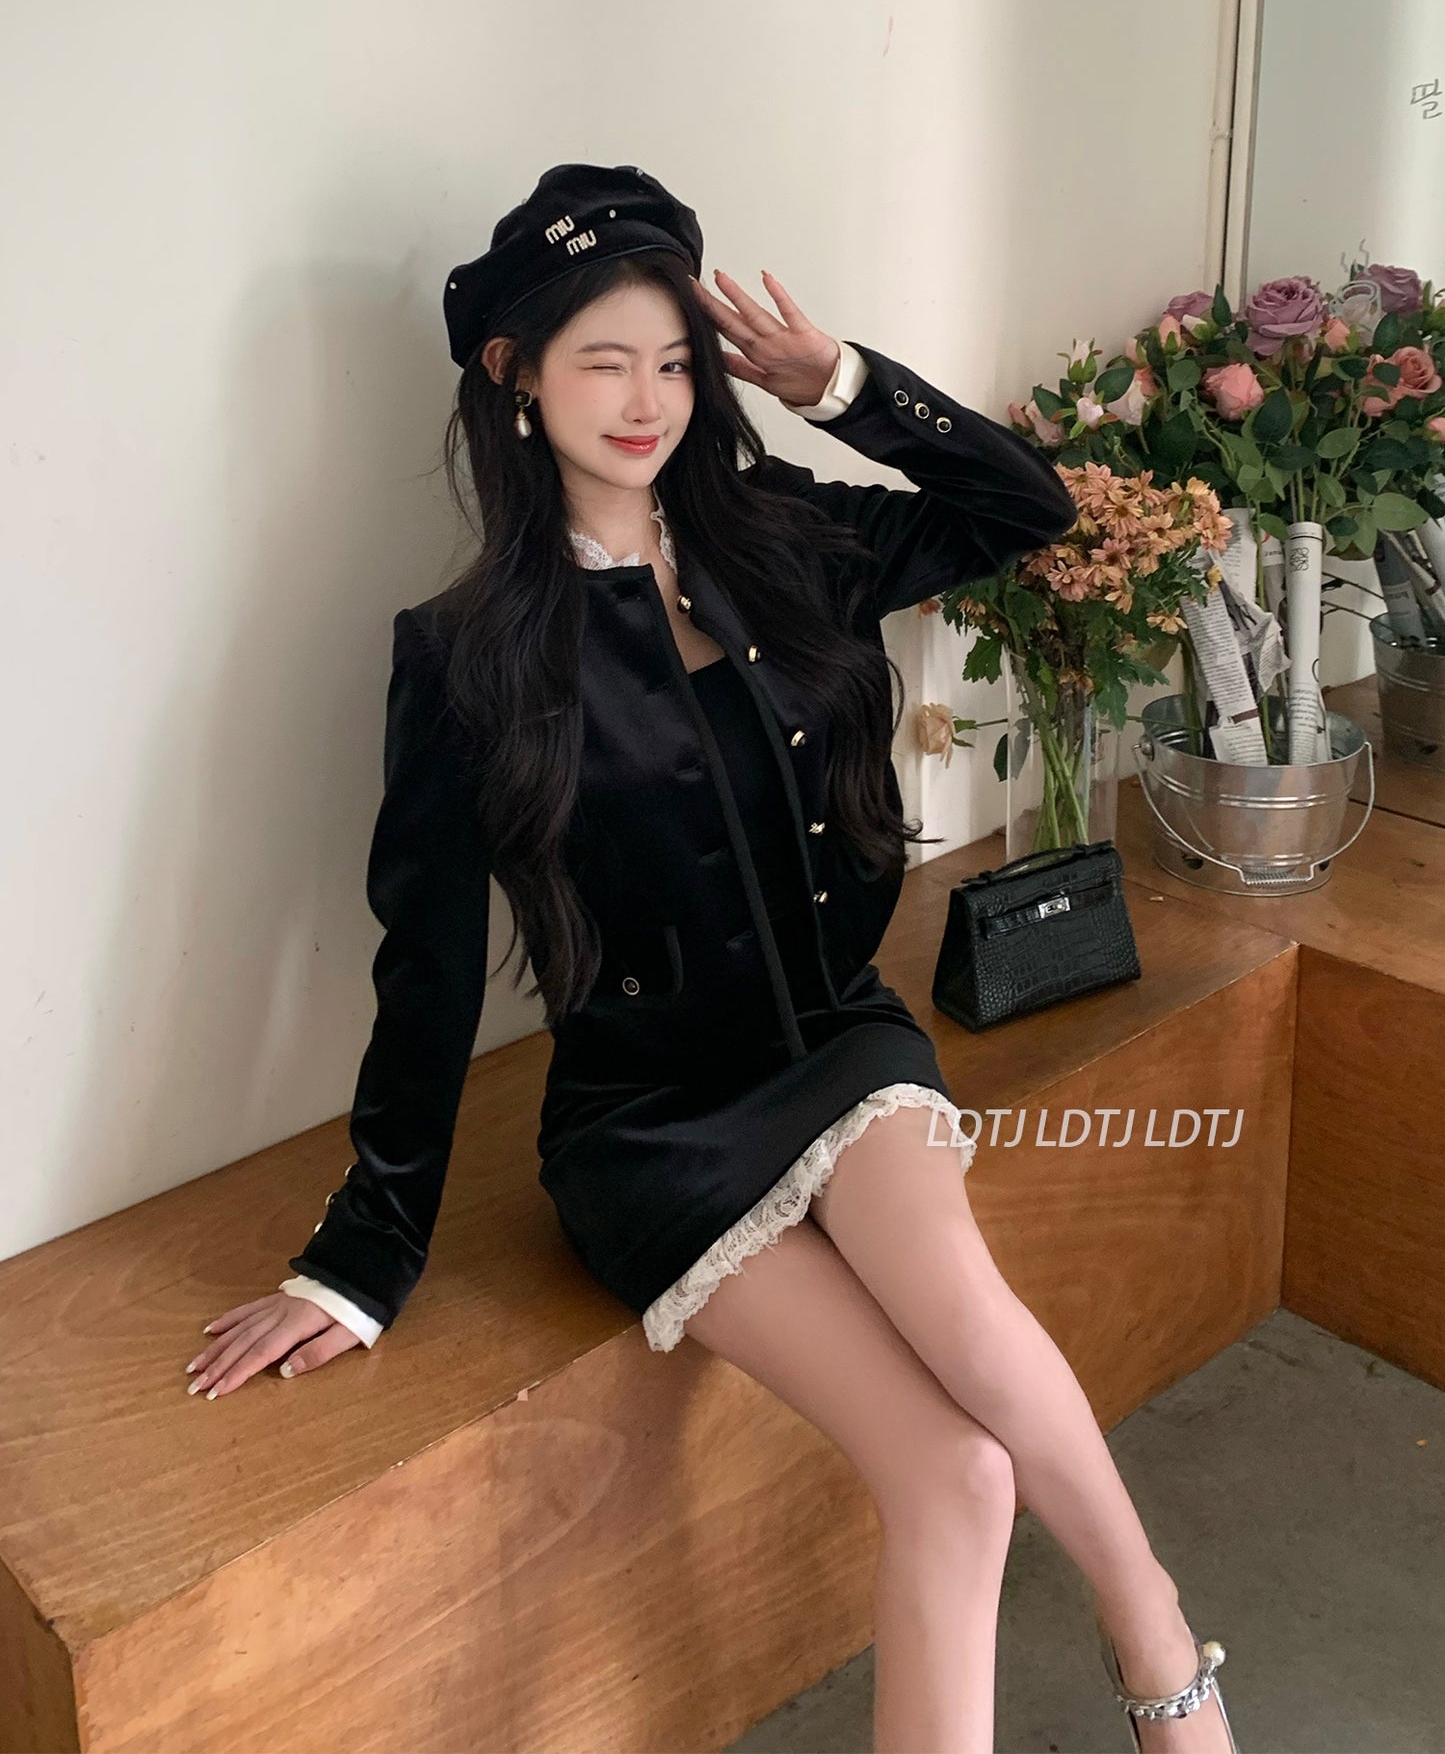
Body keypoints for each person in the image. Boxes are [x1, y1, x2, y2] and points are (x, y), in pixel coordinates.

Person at [182, 164, 1237, 1754]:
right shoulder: (467, 654)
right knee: (953, 1473)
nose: (647, 401)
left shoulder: (785, 535)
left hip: (841, 1042)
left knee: (968, 1326)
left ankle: (1154, 1646)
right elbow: (426, 965)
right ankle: (1163, 1665)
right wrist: (363, 1254)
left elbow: (1025, 510)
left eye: (674, 362)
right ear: (514, 373)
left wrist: (843, 386)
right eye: (603, 360)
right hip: (650, 1125)